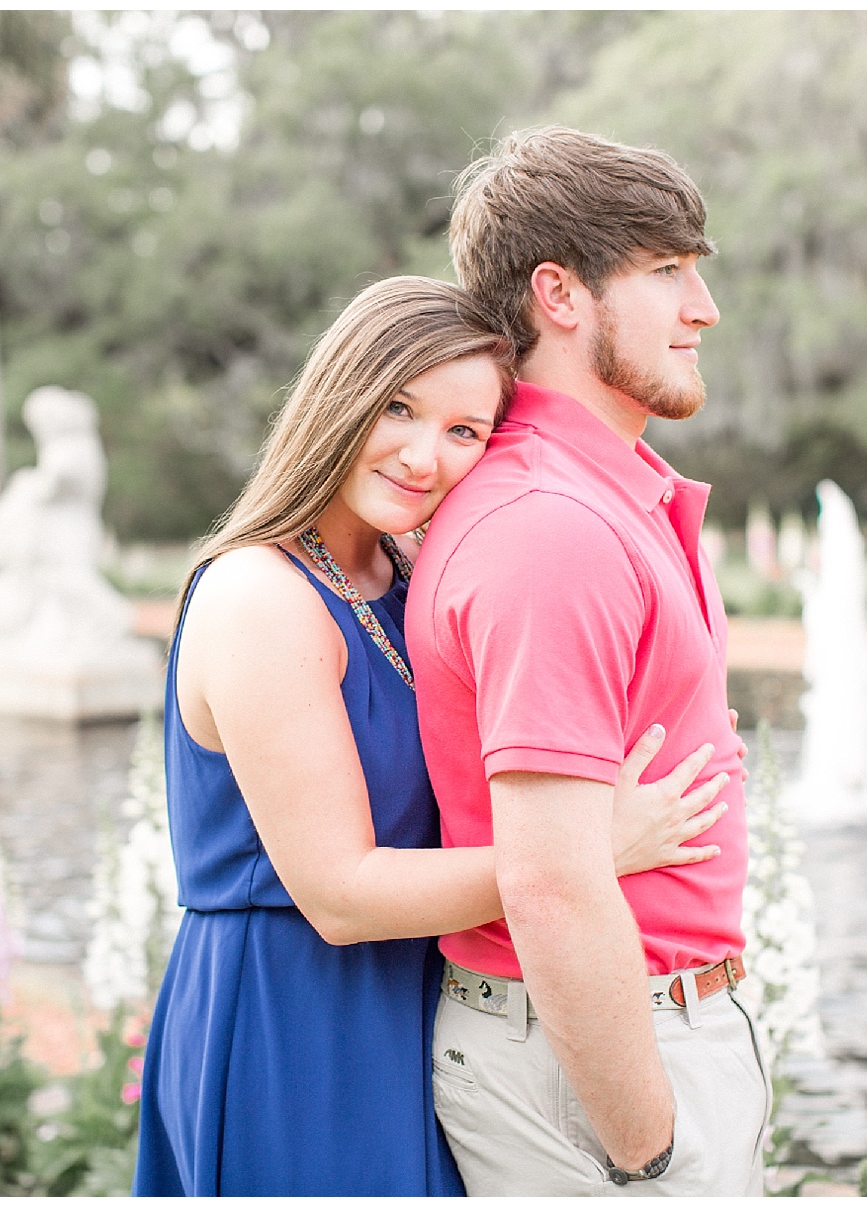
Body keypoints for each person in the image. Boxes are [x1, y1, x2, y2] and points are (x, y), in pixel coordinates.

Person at [132, 275, 735, 1196]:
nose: (424, 456)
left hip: (416, 1001)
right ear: (341, 397)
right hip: (293, 1025)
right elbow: (340, 894)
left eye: (465, 431)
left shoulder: (406, 570)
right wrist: (587, 850)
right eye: (399, 410)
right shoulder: (261, 596)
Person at [405, 126, 767, 1195]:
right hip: (601, 1060)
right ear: (560, 295)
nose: (703, 307)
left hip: (642, 1030)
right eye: (666, 271)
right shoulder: (549, 527)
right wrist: (647, 1147)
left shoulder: (603, 495)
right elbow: (553, 883)